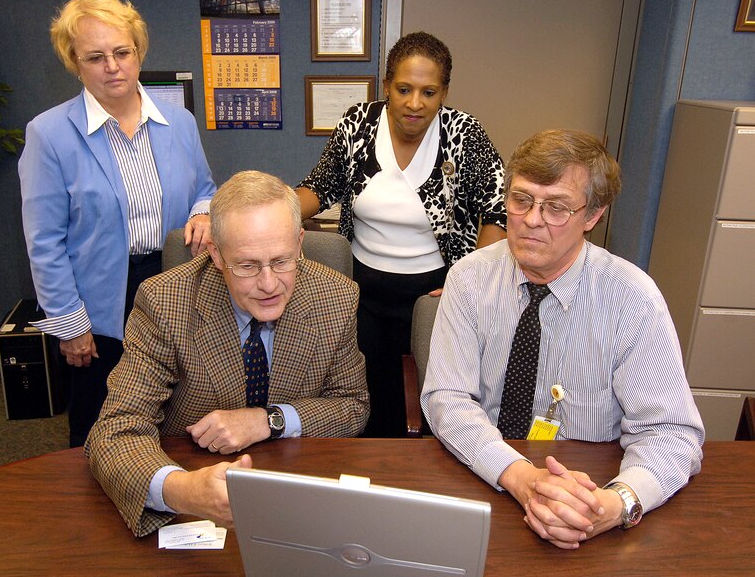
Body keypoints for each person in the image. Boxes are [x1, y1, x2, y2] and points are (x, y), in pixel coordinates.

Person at [421, 130, 704, 549]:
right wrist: (521, 477)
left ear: (592, 216)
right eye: (521, 199)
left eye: (556, 207)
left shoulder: (633, 299)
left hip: (589, 493)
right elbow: (448, 399)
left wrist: (615, 504)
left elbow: (671, 433)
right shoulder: (469, 278)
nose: (532, 220)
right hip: (484, 475)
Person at [85, 171, 370, 537]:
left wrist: (268, 420)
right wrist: (183, 490)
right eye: (248, 266)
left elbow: (352, 406)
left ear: (300, 243)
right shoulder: (165, 302)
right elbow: (113, 432)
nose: (269, 284)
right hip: (193, 488)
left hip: (297, 489)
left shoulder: (336, 296)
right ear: (216, 255)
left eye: (282, 261)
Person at [19, 0, 216, 447]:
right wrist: (70, 326)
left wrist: (204, 211)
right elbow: (44, 241)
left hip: (174, 283)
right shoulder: (49, 134)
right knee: (98, 418)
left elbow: (206, 188)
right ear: (75, 62)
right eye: (95, 57)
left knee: (175, 409)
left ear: (138, 53)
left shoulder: (178, 120)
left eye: (122, 52)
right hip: (98, 299)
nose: (113, 67)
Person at [296, 32, 506, 437]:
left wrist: (473, 280)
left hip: (434, 295)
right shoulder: (357, 123)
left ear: (444, 91)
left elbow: (496, 208)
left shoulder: (463, 133)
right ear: (387, 84)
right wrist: (271, 210)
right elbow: (319, 188)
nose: (414, 104)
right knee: (369, 395)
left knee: (436, 397)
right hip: (362, 289)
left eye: (429, 92)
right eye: (404, 89)